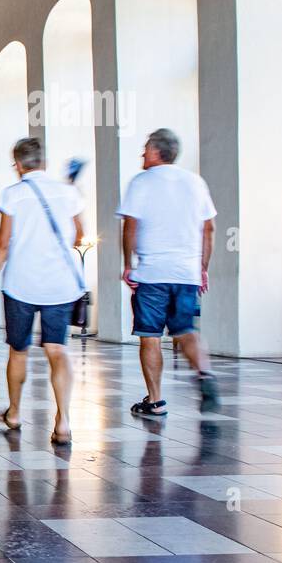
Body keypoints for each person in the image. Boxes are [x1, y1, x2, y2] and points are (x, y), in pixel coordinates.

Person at [0, 138, 84, 445]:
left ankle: (13, 412)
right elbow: (79, 235)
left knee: (19, 349)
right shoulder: (68, 193)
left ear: (18, 165)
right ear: (44, 162)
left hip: (20, 284)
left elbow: (2, 243)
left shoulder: (12, 196)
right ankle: (63, 421)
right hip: (60, 284)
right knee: (57, 349)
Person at [119, 128, 220, 415]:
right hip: (185, 272)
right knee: (186, 329)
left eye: (145, 149)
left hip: (152, 274)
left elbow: (130, 226)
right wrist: (202, 268)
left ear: (155, 151)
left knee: (150, 336)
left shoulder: (141, 182)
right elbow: (208, 228)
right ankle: (205, 374)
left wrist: (128, 264)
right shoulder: (195, 182)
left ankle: (156, 400)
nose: (142, 154)